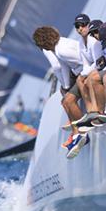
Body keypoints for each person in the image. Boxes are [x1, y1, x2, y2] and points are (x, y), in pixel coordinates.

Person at [32, 26, 89, 158]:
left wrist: (80, 77)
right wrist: (66, 85)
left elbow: (85, 61)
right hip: (79, 73)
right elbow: (63, 66)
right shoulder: (58, 49)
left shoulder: (62, 50)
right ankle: (76, 133)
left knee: (68, 101)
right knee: (65, 100)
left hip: (86, 73)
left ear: (42, 44)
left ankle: (81, 132)